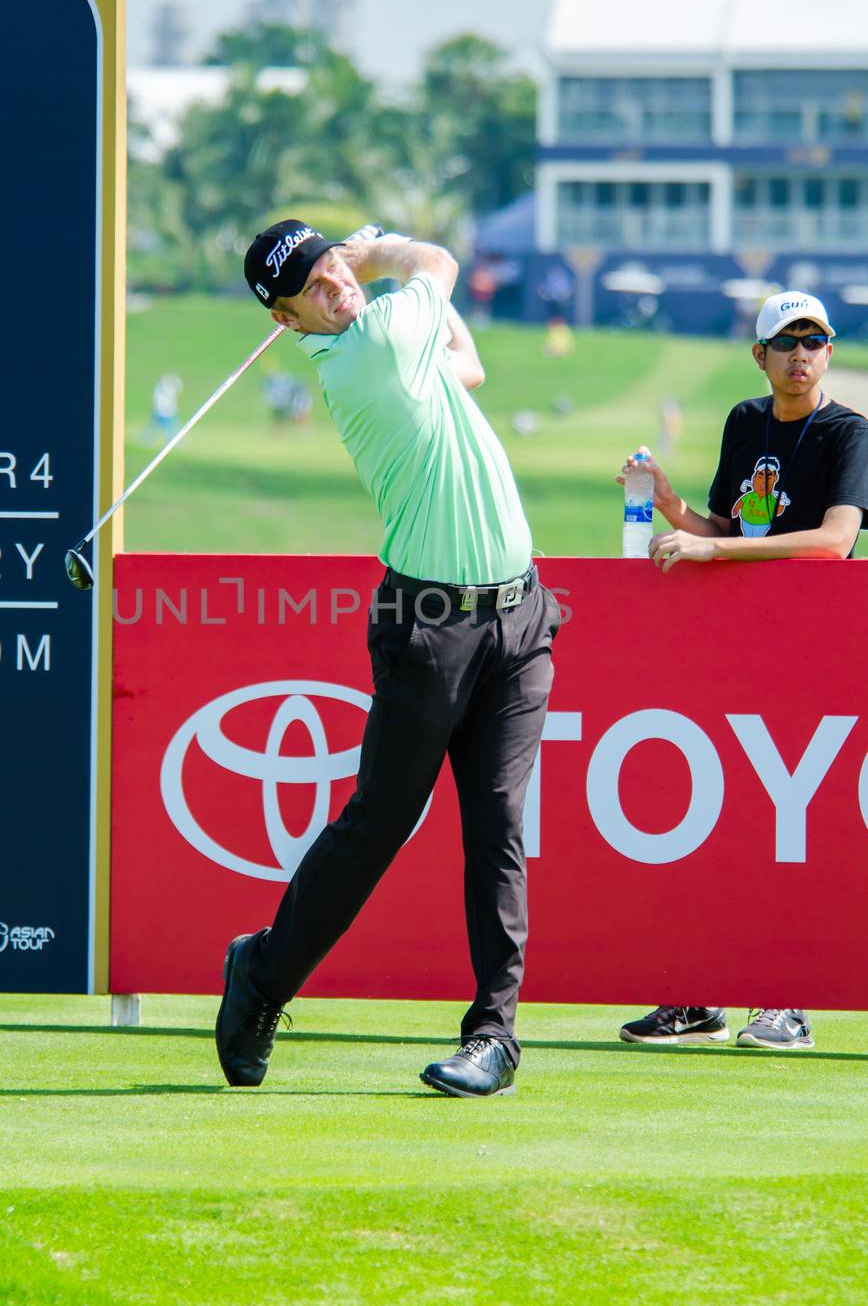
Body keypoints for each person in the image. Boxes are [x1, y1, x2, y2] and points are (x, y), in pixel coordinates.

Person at [216, 218, 562, 1097]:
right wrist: (378, 250)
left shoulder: (391, 342)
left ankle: (494, 1038)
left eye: (331, 261)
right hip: (429, 628)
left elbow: (468, 367)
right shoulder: (367, 349)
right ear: (289, 322)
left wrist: (372, 269)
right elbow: (438, 264)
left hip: (519, 618)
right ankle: (263, 974)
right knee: (380, 825)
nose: (335, 282)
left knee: (497, 825)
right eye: (313, 284)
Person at [615, 289, 868, 1050]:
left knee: (794, 832)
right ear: (758, 355)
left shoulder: (848, 433)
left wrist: (712, 549)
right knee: (724, 824)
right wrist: (671, 506)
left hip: (817, 658)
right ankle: (701, 995)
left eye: (815, 342)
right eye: (786, 343)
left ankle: (787, 999)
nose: (802, 356)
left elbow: (832, 541)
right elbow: (729, 526)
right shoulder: (745, 422)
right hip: (740, 651)